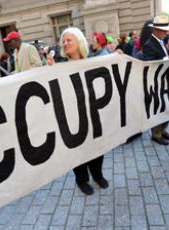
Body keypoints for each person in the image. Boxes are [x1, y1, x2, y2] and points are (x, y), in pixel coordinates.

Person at [47, 27, 109, 196]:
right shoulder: (60, 67)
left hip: (93, 114)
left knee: (97, 147)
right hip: (72, 118)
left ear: (79, 42)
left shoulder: (94, 62)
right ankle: (81, 180)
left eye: (69, 40)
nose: (65, 43)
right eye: (63, 41)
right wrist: (50, 70)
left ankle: (97, 175)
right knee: (78, 151)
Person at [139, 15, 169, 145]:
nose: (166, 32)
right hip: (155, 83)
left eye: (166, 30)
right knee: (158, 108)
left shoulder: (161, 41)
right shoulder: (149, 44)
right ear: (155, 30)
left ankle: (163, 130)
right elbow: (150, 64)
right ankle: (156, 134)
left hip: (164, 80)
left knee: (167, 106)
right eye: (163, 30)